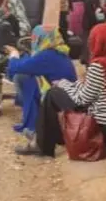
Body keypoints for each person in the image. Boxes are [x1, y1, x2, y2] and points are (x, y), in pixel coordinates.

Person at [19, 23, 106, 157]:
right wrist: (73, 85)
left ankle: (43, 146)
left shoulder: (100, 66)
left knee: (52, 94)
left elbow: (83, 99)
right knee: (57, 93)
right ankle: (47, 140)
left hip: (103, 123)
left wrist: (63, 84)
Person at [5, 26, 77, 154]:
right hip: (67, 101)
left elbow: (16, 67)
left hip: (59, 108)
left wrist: (13, 55)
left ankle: (36, 132)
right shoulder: (59, 52)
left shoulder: (47, 56)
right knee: (28, 79)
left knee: (22, 78)